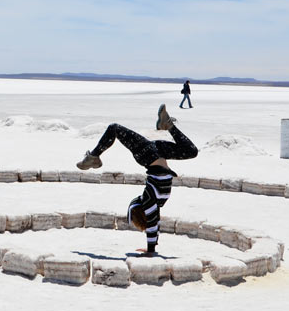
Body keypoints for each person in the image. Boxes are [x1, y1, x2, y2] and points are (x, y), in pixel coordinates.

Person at [76, 104, 199, 256]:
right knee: (192, 151)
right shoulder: (150, 202)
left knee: (115, 129)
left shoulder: (156, 201)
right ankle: (167, 125)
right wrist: (150, 250)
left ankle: (94, 157)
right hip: (151, 154)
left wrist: (151, 248)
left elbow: (154, 224)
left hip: (151, 157)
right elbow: (153, 224)